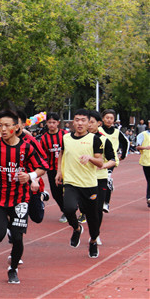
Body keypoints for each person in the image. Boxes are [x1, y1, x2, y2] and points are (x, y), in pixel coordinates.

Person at [0, 110, 47, 284]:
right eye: (0, 125)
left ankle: (13, 268)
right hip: (0, 197)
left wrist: (30, 176)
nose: (2, 129)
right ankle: (10, 223)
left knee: (17, 238)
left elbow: (43, 167)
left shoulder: (26, 147)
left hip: (20, 198)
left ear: (16, 127)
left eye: (7, 125)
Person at [56, 109, 103, 259]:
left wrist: (89, 158)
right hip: (71, 182)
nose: (80, 123)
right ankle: (76, 228)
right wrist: (59, 172)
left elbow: (100, 162)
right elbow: (61, 154)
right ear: (73, 122)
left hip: (89, 185)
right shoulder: (65, 138)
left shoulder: (95, 139)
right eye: (77, 120)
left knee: (93, 218)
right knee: (68, 209)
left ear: (89, 122)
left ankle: (93, 240)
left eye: (83, 120)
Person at [88, 110, 116, 245]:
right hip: (82, 179)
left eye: (91, 122)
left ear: (99, 123)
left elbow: (113, 160)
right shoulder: (76, 139)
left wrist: (104, 166)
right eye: (86, 121)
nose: (88, 124)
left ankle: (95, 234)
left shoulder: (104, 140)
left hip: (99, 178)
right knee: (85, 208)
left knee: (97, 208)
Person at [40, 112, 68, 222]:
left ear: (58, 123)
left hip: (66, 168)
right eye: (49, 122)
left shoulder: (65, 135)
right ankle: (65, 210)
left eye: (54, 122)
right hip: (52, 169)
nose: (52, 124)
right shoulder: (44, 138)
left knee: (68, 190)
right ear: (46, 123)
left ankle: (69, 211)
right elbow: (42, 155)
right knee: (56, 193)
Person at [99, 109, 129, 213]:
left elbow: (126, 142)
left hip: (111, 160)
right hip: (98, 159)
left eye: (111, 118)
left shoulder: (117, 132)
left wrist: (123, 156)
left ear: (114, 120)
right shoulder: (98, 130)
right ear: (103, 119)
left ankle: (106, 203)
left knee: (106, 178)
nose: (109, 120)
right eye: (107, 118)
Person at [136, 128, 150, 207]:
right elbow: (137, 147)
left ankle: (149, 198)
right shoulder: (143, 135)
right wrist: (146, 147)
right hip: (146, 162)